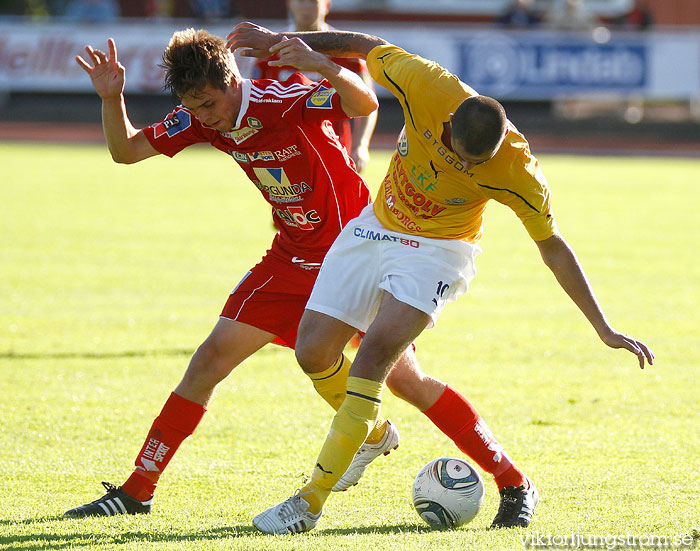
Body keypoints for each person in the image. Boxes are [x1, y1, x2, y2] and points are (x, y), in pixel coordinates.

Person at [64, 28, 535, 527]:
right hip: (290, 258)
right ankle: (138, 490)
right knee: (209, 360)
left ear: (231, 81)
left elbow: (360, 101)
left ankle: (512, 481)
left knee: (407, 381)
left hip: (359, 252)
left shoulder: (283, 101)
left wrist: (324, 65)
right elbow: (127, 151)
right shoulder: (201, 121)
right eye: (194, 108)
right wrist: (112, 99)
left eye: (207, 104)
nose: (204, 118)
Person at [227, 22, 655, 535]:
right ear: (447, 120)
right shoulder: (427, 83)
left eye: (474, 164)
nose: (462, 166)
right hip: (376, 226)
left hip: (438, 253)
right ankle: (378, 437)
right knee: (312, 352)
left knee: (372, 361)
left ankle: (308, 503)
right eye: (456, 151)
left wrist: (603, 327)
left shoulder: (517, 171)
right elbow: (363, 46)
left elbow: (553, 247)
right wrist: (280, 39)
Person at [253, 0, 376, 173]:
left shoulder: (348, 52)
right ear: (290, 4)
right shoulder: (271, 51)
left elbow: (369, 102)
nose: (306, 8)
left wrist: (360, 145)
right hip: (286, 151)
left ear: (327, 5)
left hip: (335, 150)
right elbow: (256, 101)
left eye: (313, 2)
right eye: (301, 1)